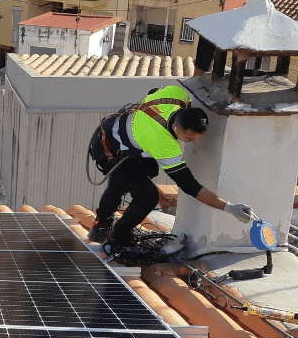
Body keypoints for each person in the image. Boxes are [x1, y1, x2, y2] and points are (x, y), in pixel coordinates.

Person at [88, 84, 253, 249]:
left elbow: (152, 91)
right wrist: (229, 207)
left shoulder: (177, 94)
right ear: (175, 128)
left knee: (146, 171)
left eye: (198, 137)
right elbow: (190, 186)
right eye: (189, 137)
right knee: (148, 196)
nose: (194, 141)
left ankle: (102, 224)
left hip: (123, 131)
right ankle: (117, 234)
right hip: (108, 148)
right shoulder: (163, 144)